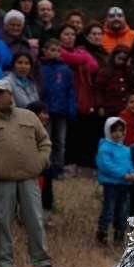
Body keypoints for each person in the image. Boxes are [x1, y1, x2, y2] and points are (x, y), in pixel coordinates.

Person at [0, 78, 52, 267]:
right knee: (2, 222)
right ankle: (5, 263)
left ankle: (41, 261)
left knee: (35, 220)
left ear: (10, 95)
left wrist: (40, 161)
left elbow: (45, 142)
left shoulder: (29, 117)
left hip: (29, 177)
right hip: (2, 180)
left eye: (0, 93)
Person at [58, 24, 98, 173]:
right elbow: (71, 59)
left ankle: (78, 162)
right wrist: (83, 56)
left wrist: (81, 56)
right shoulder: (59, 51)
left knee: (79, 132)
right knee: (65, 134)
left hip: (80, 96)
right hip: (63, 97)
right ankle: (65, 163)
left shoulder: (79, 51)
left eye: (72, 35)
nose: (69, 38)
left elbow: (93, 65)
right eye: (66, 34)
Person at [95, 117, 134, 245]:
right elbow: (106, 165)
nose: (118, 133)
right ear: (108, 131)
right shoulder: (105, 148)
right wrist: (123, 175)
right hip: (111, 184)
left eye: (121, 130)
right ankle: (102, 234)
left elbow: (129, 164)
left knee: (122, 210)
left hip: (124, 185)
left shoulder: (125, 149)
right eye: (115, 130)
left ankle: (119, 236)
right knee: (108, 209)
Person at [39, 39, 76, 178]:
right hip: (45, 110)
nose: (55, 53)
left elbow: (71, 91)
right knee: (45, 139)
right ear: (45, 51)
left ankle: (59, 167)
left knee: (60, 140)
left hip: (61, 110)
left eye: (58, 50)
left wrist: (71, 109)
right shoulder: (41, 68)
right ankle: (46, 167)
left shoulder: (65, 70)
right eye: (52, 50)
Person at [26, 101, 55, 211]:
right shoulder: (28, 133)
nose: (47, 116)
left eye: (47, 113)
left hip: (44, 171)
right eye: (43, 113)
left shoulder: (43, 131)